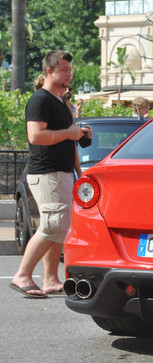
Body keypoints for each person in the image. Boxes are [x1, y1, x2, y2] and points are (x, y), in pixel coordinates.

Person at [10, 50, 91, 298]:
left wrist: (80, 172)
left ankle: (50, 279)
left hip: (62, 172)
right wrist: (68, 133)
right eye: (64, 69)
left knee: (60, 226)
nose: (69, 74)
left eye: (69, 69)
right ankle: (22, 275)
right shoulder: (40, 100)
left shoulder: (61, 103)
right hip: (47, 172)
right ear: (49, 71)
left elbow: (70, 144)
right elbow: (35, 136)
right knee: (53, 224)